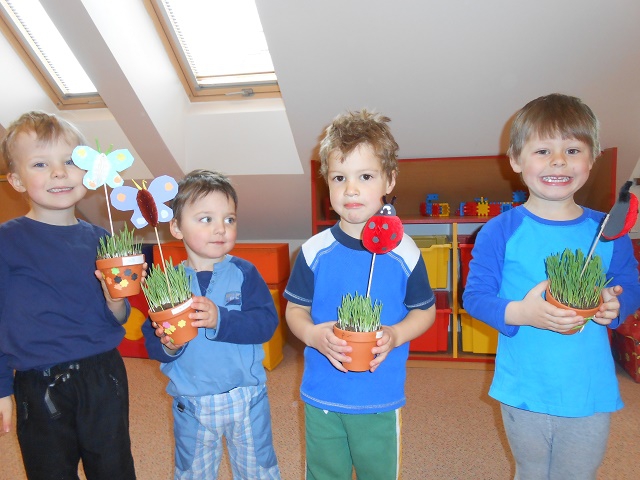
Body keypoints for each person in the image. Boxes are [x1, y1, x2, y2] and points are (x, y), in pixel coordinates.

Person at [463, 93, 640, 479]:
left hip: (587, 386)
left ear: (591, 159)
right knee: (530, 470)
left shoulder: (608, 231)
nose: (558, 161)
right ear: (515, 160)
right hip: (522, 386)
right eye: (543, 150)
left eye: (572, 150)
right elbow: (475, 298)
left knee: (577, 473)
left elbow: (629, 283)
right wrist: (522, 312)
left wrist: (616, 303)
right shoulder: (498, 231)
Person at [284, 109, 436, 480]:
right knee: (324, 473)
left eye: (365, 176)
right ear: (327, 183)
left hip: (379, 396)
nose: (351, 189)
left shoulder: (405, 252)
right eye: (340, 178)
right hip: (322, 393)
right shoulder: (313, 251)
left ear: (389, 180)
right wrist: (312, 334)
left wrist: (396, 333)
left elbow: (424, 311)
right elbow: (295, 310)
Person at [0, 111, 136, 479]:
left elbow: (119, 317)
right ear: (16, 180)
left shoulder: (103, 239)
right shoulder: (7, 242)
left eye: (71, 161)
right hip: (37, 381)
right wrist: (1, 388)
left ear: (89, 171)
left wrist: (115, 302)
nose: (59, 173)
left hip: (104, 374)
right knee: (49, 471)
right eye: (40, 164)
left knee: (113, 467)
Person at [142, 169, 281, 480]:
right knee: (193, 471)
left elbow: (265, 324)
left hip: (246, 397)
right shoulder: (166, 281)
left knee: (258, 469)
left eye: (229, 219)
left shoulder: (245, 273)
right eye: (206, 219)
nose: (221, 228)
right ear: (176, 227)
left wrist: (222, 319)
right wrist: (169, 345)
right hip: (192, 402)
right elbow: (152, 339)